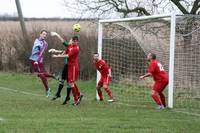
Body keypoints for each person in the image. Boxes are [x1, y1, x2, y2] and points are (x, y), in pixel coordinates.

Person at [52, 36, 83, 105]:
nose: (74, 42)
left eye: (76, 41)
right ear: (72, 40)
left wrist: (57, 56)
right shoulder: (70, 46)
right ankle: (79, 94)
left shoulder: (76, 48)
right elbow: (65, 52)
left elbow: (67, 56)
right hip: (69, 66)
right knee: (71, 82)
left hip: (74, 66)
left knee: (71, 83)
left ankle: (76, 99)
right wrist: (58, 55)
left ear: (77, 42)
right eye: (73, 40)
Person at [29, 30, 55, 97]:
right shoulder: (36, 40)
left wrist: (37, 60)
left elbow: (41, 53)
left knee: (40, 74)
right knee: (40, 74)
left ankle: (47, 90)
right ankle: (53, 76)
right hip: (32, 59)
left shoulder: (45, 44)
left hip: (37, 61)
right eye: (43, 34)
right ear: (40, 34)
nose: (44, 35)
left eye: (45, 35)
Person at [49, 32, 72, 104]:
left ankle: (68, 97)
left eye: (70, 40)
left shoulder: (71, 47)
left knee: (68, 82)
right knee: (62, 80)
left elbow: (62, 41)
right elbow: (63, 52)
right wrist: (55, 51)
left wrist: (56, 34)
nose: (69, 41)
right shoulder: (69, 47)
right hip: (66, 66)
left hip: (70, 67)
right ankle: (58, 93)